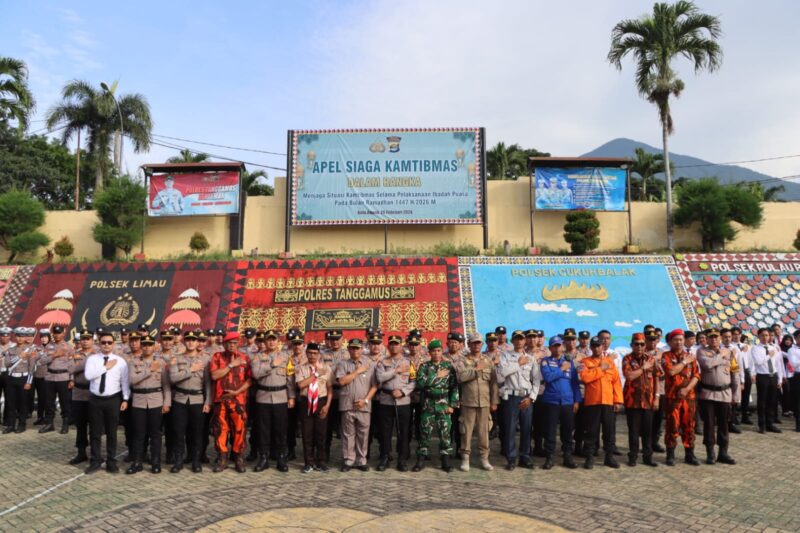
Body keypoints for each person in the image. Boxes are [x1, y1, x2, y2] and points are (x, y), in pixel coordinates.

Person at [84, 329, 130, 474]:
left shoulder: (121, 361)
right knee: (95, 432)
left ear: (113, 344)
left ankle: (111, 461)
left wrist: (126, 399)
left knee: (112, 432)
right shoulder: (93, 359)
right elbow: (88, 375)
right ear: (99, 344)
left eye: (109, 342)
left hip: (113, 399)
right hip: (95, 399)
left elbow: (125, 382)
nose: (106, 345)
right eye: (103, 342)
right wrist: (106, 367)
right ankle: (95, 460)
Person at [126, 335, 171, 474]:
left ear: (154, 346)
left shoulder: (161, 363)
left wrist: (166, 402)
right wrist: (149, 370)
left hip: (155, 400)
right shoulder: (133, 362)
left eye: (149, 345)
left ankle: (155, 462)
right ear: (141, 346)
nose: (146, 347)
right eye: (144, 344)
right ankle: (137, 462)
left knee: (155, 434)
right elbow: (132, 380)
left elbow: (166, 385)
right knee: (138, 434)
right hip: (138, 400)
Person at [168, 330, 211, 473]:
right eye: (188, 339)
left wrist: (208, 402)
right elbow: (173, 378)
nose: (191, 342)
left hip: (197, 399)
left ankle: (196, 461)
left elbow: (208, 384)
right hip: (180, 399)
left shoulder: (205, 360)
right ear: (184, 341)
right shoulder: (176, 358)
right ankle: (179, 460)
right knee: (178, 432)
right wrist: (191, 369)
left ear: (198, 342)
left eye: (194, 340)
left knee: (197, 432)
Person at [496, 330, 540, 470]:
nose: (519, 341)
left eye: (522, 339)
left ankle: (525, 457)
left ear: (525, 341)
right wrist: (518, 364)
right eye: (517, 339)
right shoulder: (505, 356)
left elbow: (537, 380)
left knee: (527, 428)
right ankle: (511, 458)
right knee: (510, 428)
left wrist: (531, 397)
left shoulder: (531, 358)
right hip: (511, 396)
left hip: (526, 397)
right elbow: (501, 375)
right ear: (513, 341)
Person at [209, 332, 252, 473]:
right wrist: (232, 365)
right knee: (221, 430)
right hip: (220, 400)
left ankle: (239, 458)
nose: (232, 345)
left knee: (240, 430)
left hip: (238, 400)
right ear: (224, 344)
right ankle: (222, 459)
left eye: (234, 343)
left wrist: (237, 392)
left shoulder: (245, 358)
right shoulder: (217, 357)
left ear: (238, 343)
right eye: (229, 343)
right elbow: (214, 375)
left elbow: (250, 380)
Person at [412, 339, 459, 472]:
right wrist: (437, 376)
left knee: (445, 433)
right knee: (424, 432)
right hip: (428, 404)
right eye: (433, 351)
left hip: (444, 404)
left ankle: (445, 460)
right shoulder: (424, 366)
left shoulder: (448, 367)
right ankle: (421, 458)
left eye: (439, 350)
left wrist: (453, 405)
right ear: (429, 352)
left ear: (441, 351)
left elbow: (454, 387)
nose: (436, 353)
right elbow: (420, 384)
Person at [455, 333, 498, 471]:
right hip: (468, 402)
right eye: (474, 343)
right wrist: (476, 369)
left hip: (484, 402)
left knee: (483, 432)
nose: (476, 345)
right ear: (469, 344)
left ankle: (484, 458)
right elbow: (460, 377)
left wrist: (494, 401)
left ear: (482, 344)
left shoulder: (488, 361)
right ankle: (465, 458)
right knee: (466, 432)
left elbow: (494, 383)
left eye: (479, 343)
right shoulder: (463, 360)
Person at [250, 330, 292, 473]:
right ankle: (264, 458)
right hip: (263, 397)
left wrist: (291, 396)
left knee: (280, 430)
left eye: (274, 339)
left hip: (280, 396)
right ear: (265, 341)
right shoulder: (258, 357)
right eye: (269, 339)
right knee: (263, 430)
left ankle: (281, 457)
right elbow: (256, 374)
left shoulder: (286, 357)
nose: (271, 342)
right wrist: (272, 365)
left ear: (278, 341)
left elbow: (290, 379)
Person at [580, 336, 623, 469]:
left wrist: (618, 401)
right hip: (593, 402)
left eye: (598, 345)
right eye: (594, 346)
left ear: (602, 347)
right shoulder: (585, 362)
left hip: (608, 402)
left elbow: (616, 382)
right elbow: (585, 378)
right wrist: (601, 369)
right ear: (591, 347)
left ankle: (609, 457)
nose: (596, 348)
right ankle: (589, 458)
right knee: (591, 432)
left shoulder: (610, 362)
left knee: (609, 432)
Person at [539, 335, 582, 470]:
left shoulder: (569, 362)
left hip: (568, 402)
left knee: (568, 431)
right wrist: (561, 369)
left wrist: (577, 400)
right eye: (554, 346)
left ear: (562, 347)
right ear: (550, 347)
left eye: (559, 345)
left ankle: (567, 457)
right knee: (550, 431)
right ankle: (549, 457)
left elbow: (575, 383)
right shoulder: (545, 361)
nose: (557, 348)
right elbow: (548, 377)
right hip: (551, 401)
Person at [336, 338, 377, 472]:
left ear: (361, 349)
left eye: (357, 348)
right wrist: (357, 371)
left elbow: (375, 386)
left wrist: (365, 400)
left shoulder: (369, 364)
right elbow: (342, 381)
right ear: (348, 349)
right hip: (347, 404)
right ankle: (349, 460)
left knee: (363, 434)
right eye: (352, 348)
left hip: (364, 405)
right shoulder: (343, 364)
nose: (354, 350)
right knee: (348, 434)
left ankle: (361, 460)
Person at [696, 329, 736, 465]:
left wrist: (736, 394)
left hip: (725, 393)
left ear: (720, 338)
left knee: (724, 424)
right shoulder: (701, 351)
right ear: (706, 339)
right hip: (708, 394)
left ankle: (723, 452)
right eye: (710, 337)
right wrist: (721, 355)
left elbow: (734, 372)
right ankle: (710, 453)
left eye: (716, 337)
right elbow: (707, 364)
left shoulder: (729, 352)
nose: (713, 340)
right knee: (709, 424)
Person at [375, 334, 415, 472]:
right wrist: (396, 371)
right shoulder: (382, 362)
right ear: (388, 346)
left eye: (396, 344)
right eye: (391, 344)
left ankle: (402, 459)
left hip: (403, 401)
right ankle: (385, 457)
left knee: (403, 432)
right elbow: (380, 378)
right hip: (386, 400)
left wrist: (403, 392)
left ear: (401, 346)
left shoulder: (409, 363)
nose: (394, 346)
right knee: (385, 431)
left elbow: (413, 382)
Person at [661, 329, 701, 466]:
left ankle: (690, 454)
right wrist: (684, 362)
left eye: (681, 339)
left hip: (688, 397)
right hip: (672, 398)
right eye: (675, 340)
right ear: (670, 342)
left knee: (689, 425)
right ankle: (670, 454)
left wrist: (687, 389)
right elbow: (671, 371)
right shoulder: (666, 356)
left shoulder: (691, 356)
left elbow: (696, 375)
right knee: (672, 425)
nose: (679, 342)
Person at [293, 342, 333, 473]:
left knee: (321, 433)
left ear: (319, 354)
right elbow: (301, 385)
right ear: (306, 353)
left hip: (321, 401)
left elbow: (330, 389)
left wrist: (327, 405)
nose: (312, 356)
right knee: (307, 433)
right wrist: (315, 375)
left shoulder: (326, 368)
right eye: (310, 353)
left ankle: (320, 461)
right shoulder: (301, 368)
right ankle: (308, 462)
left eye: (315, 353)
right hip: (306, 402)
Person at [622, 333, 660, 467]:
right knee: (633, 431)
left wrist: (657, 397)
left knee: (647, 431)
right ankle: (632, 457)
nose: (639, 347)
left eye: (642, 344)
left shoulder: (652, 359)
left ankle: (647, 457)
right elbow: (629, 376)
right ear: (631, 345)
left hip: (648, 401)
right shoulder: (627, 359)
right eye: (636, 344)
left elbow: (656, 378)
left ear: (645, 345)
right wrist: (643, 368)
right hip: (632, 401)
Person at [2, 327, 36, 434]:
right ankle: (11, 425)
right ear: (15, 336)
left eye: (22, 336)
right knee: (11, 403)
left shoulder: (31, 350)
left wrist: (29, 382)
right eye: (18, 336)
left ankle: (22, 425)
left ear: (25, 337)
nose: (20, 338)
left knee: (23, 403)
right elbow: (7, 364)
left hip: (23, 379)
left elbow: (32, 368)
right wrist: (18, 357)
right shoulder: (10, 350)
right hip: (11, 378)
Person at [68, 329, 94, 465]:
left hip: (93, 394)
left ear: (92, 340)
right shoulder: (74, 354)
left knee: (95, 426)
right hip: (78, 393)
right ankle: (81, 452)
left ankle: (96, 454)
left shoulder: (98, 355)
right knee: (81, 425)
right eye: (83, 338)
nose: (85, 341)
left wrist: (79, 365)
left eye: (88, 338)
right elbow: (69, 369)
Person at [321, 330, 347, 463]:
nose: (335, 342)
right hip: (328, 395)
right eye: (332, 339)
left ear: (343, 339)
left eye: (337, 339)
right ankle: (324, 454)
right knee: (327, 427)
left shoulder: (348, 354)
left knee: (345, 428)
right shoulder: (323, 355)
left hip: (344, 394)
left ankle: (347, 456)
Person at [751, 327, 783, 434]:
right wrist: (768, 355)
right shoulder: (756, 348)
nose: (765, 337)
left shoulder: (774, 347)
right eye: (762, 335)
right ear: (758, 337)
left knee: (772, 401)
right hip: (763, 376)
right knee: (762, 401)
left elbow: (778, 364)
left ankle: (770, 423)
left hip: (773, 375)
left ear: (770, 336)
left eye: (767, 335)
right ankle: (762, 424)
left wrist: (779, 378)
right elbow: (758, 362)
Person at [787, 330, 800, 432]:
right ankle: (798, 424)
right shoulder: (792, 350)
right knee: (798, 401)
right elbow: (794, 364)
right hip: (797, 376)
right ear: (795, 338)